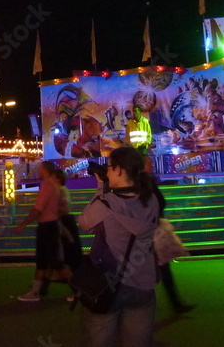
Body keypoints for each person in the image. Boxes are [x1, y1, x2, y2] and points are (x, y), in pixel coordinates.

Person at [77, 146, 160, 347]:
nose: (107, 171)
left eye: (110, 167)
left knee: (101, 341)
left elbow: (84, 222)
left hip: (110, 284)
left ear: (120, 170)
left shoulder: (106, 203)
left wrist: (100, 188)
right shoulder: (152, 199)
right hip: (144, 282)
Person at [143, 155, 193, 314]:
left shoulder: (147, 181)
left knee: (163, 268)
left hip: (154, 228)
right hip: (149, 230)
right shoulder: (142, 182)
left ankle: (175, 303)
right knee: (157, 269)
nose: (152, 164)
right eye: (149, 162)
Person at [15, 161, 71, 301]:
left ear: (45, 170)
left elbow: (38, 208)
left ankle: (36, 292)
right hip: (51, 226)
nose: (37, 171)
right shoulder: (54, 186)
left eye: (40, 169)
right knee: (50, 261)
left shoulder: (46, 185)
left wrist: (23, 224)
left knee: (47, 261)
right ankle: (36, 291)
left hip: (46, 227)